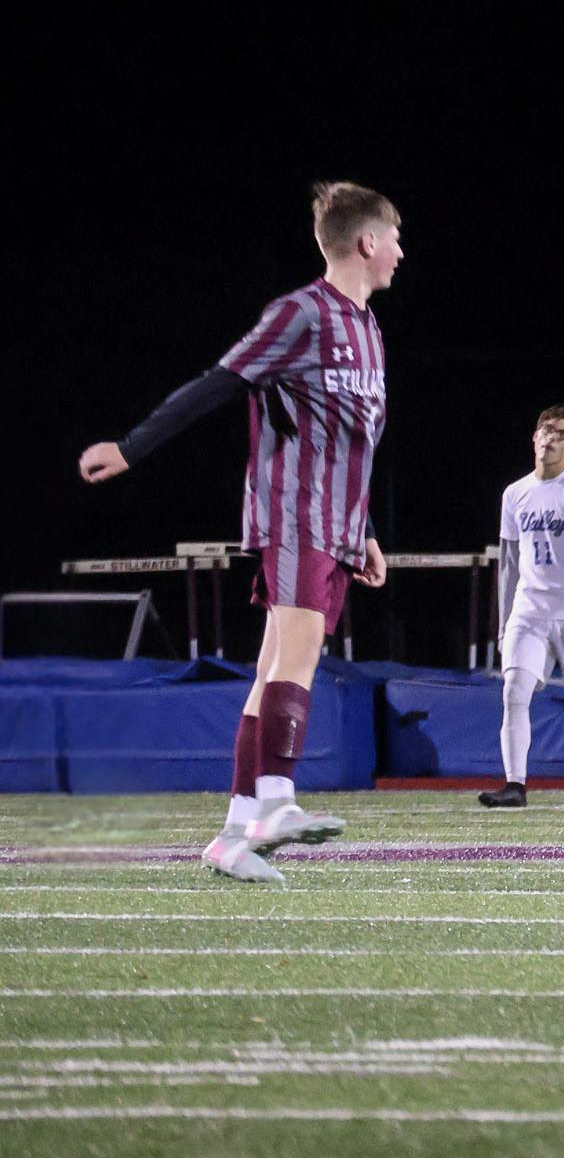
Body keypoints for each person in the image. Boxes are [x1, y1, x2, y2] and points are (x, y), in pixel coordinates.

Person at [77, 182, 399, 884]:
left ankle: (232, 836)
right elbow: (218, 382)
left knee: (268, 671)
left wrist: (364, 527)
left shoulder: (369, 329)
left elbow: (347, 439)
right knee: (301, 656)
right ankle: (276, 799)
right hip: (294, 514)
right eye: (395, 238)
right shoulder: (301, 313)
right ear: (367, 242)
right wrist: (132, 447)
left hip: (337, 523)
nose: (401, 253)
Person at [478, 405, 564, 809]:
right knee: (514, 691)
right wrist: (505, 621)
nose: (550, 438)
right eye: (545, 430)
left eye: (560, 434)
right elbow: (508, 563)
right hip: (530, 609)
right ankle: (515, 785)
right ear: (534, 438)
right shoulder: (515, 493)